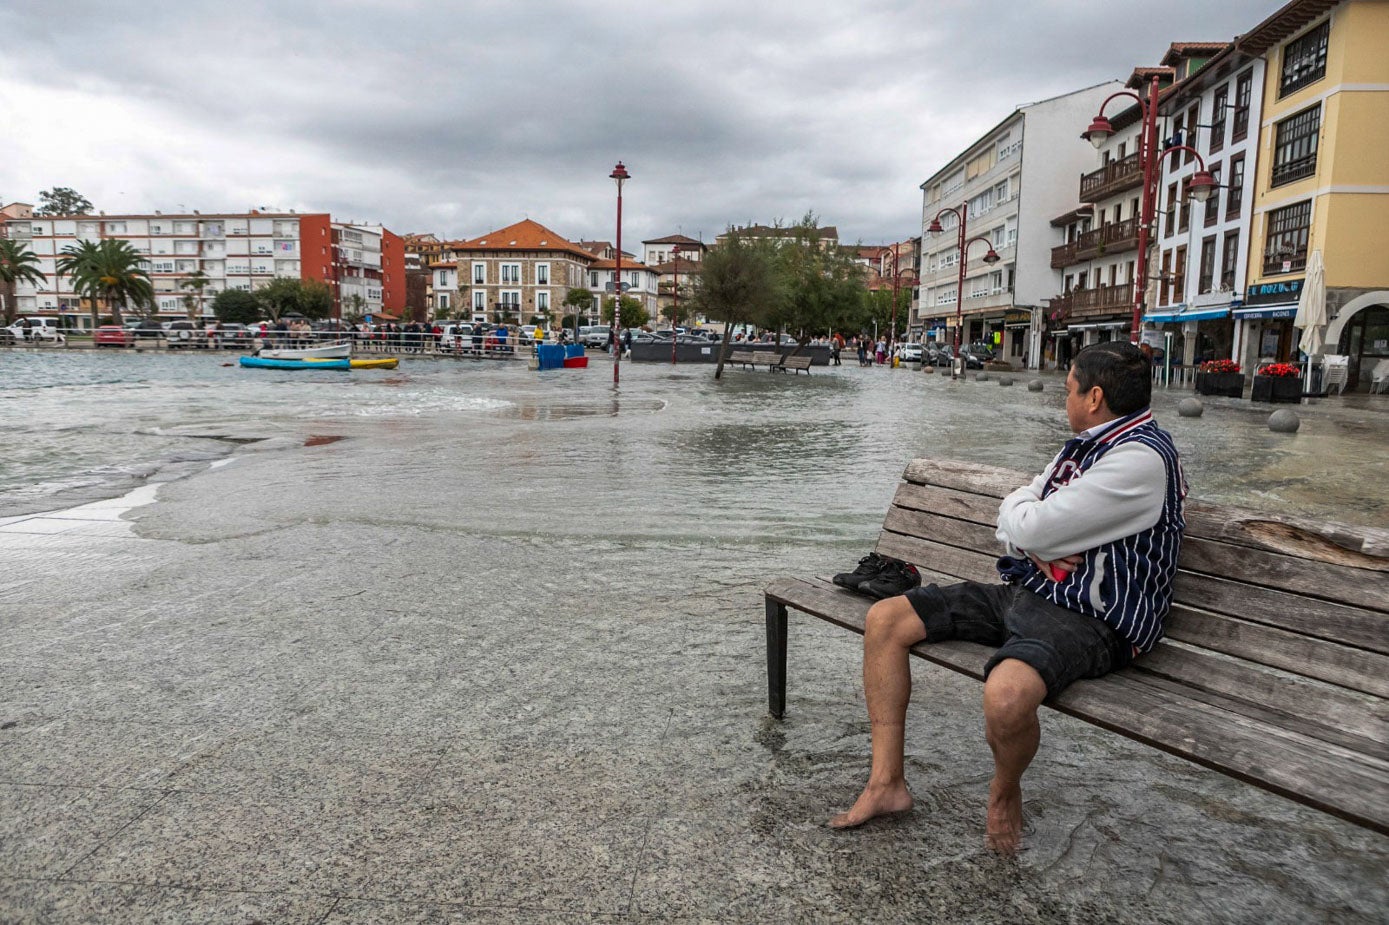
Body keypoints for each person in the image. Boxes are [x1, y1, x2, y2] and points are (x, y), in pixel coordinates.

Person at [829, 342, 1184, 854]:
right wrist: (1033, 535)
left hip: (1091, 618)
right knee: (886, 619)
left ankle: (1004, 793)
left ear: (1095, 397)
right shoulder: (1085, 444)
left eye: (1068, 391)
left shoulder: (1139, 460)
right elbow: (1020, 512)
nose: (1064, 401)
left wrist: (1035, 529)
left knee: (1005, 696)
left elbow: (1032, 516)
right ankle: (886, 786)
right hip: (1028, 591)